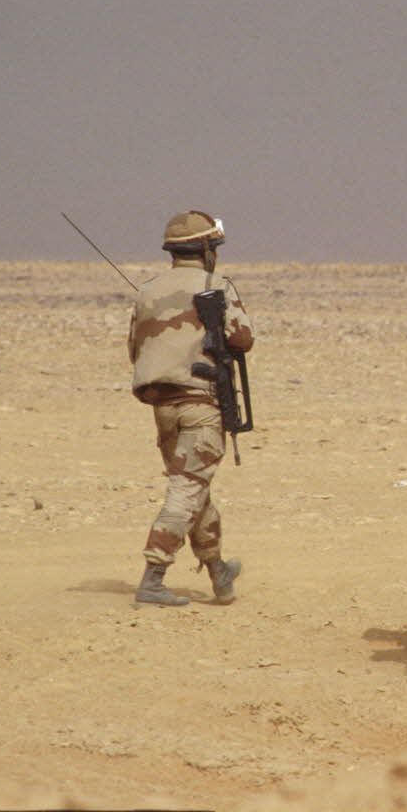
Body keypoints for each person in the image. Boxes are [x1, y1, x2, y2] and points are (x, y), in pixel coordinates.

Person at [127, 210, 254, 605]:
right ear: (206, 249)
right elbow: (244, 339)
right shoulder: (216, 287)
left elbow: (135, 349)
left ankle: (218, 570)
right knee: (187, 488)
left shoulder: (146, 292)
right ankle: (153, 575)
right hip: (200, 405)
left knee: (195, 486)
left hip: (162, 407)